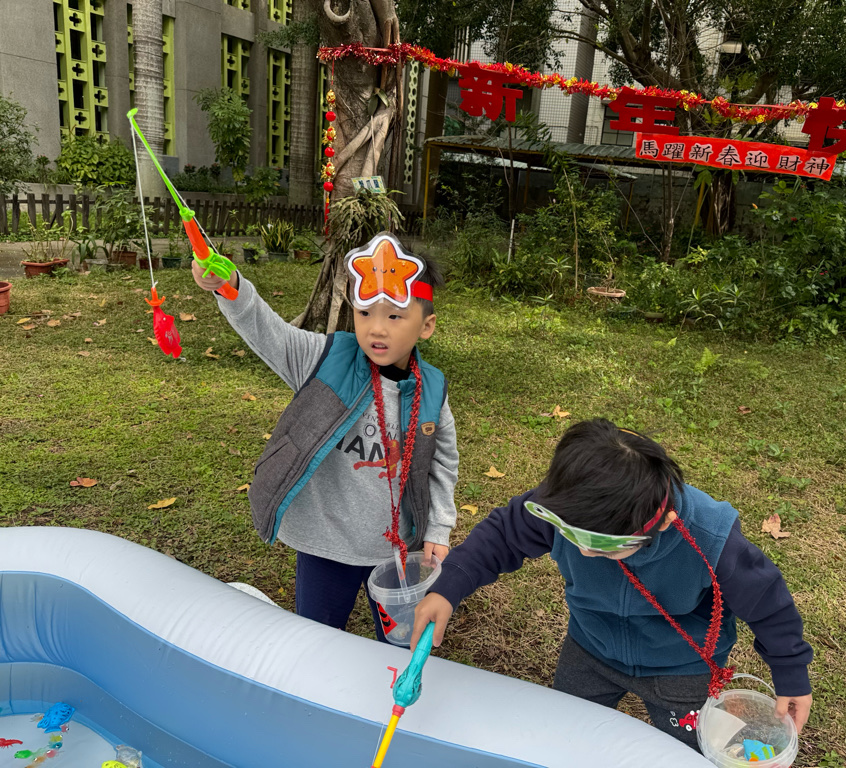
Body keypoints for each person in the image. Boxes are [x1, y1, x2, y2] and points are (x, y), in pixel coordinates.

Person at [412, 419, 811, 751]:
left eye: (604, 544)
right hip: (590, 647)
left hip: (681, 667)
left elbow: (767, 602)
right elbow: (502, 535)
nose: (585, 552)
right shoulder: (574, 503)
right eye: (572, 536)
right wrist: (448, 587)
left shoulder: (711, 538)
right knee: (566, 732)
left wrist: (791, 672)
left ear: (661, 523)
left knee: (689, 749)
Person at [193, 232, 459, 642]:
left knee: (397, 645)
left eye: (394, 317)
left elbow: (442, 463)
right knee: (316, 641)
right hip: (325, 546)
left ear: (426, 326)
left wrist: (438, 529)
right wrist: (232, 289)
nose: (377, 328)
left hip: (397, 551)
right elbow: (271, 334)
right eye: (365, 312)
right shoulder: (324, 359)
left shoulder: (433, 392)